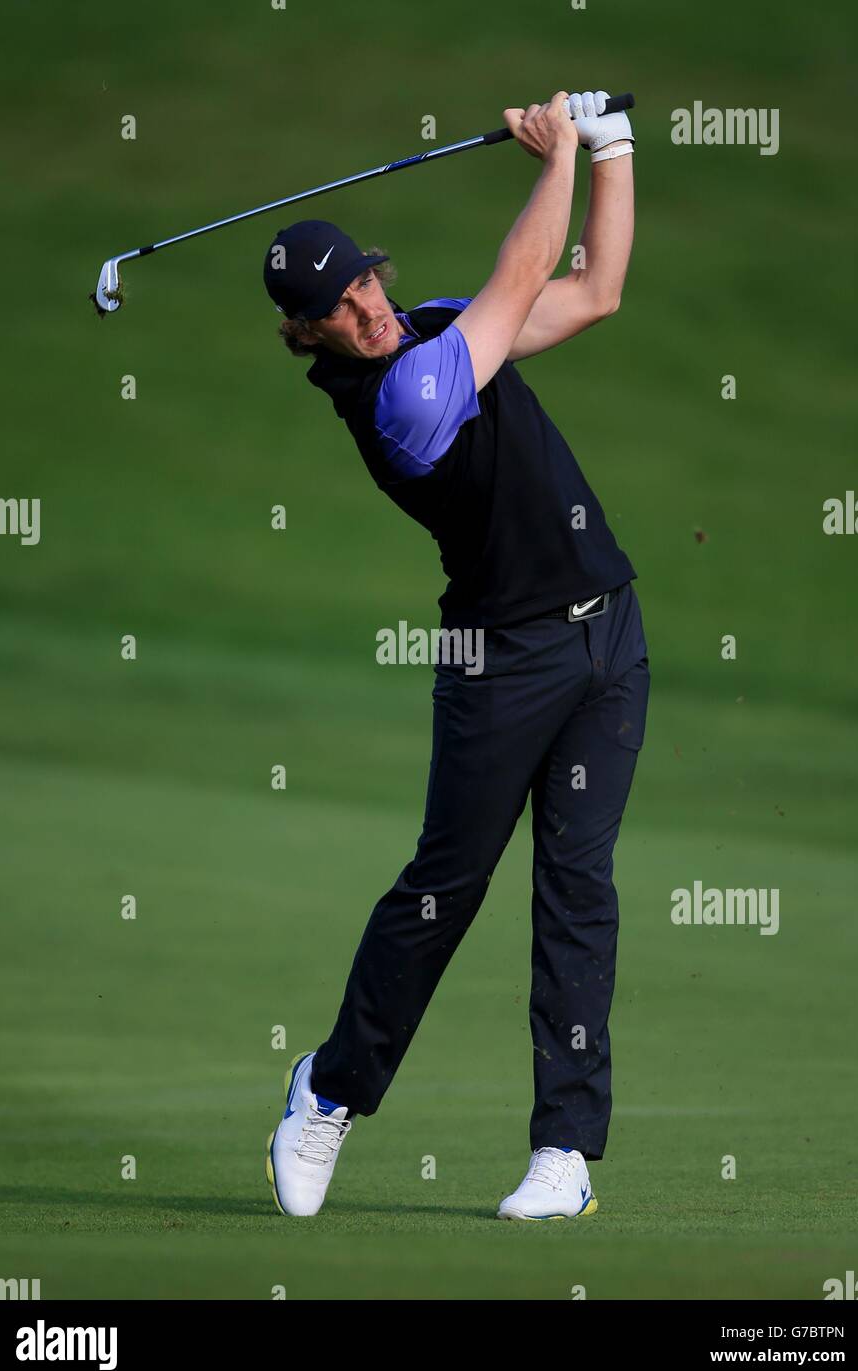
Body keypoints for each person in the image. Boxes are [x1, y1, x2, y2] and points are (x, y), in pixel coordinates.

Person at [262, 90, 649, 1220]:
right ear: (309, 333)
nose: (365, 306)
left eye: (364, 281)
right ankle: (328, 1089)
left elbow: (592, 292)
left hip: (607, 641)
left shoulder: (430, 325)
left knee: (578, 890)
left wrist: (613, 148)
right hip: (502, 664)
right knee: (445, 891)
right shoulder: (395, 402)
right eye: (338, 306)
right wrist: (559, 151)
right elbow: (524, 273)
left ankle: (564, 1156)